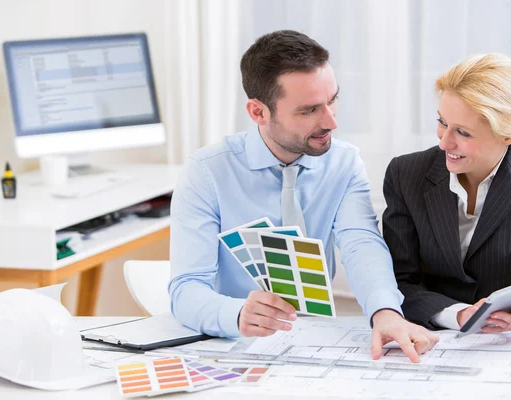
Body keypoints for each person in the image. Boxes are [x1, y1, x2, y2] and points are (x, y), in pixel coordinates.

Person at [168, 30, 438, 362]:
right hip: (231, 345)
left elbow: (361, 243)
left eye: (333, 99)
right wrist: (235, 313)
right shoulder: (206, 172)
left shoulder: (344, 162)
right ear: (258, 112)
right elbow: (186, 289)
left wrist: (385, 310)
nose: (331, 121)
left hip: (315, 341)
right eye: (309, 110)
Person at [382, 53, 511, 335]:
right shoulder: (405, 173)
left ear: (507, 136)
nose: (444, 141)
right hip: (432, 335)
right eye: (442, 122)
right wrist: (458, 315)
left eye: (463, 132)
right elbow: (398, 280)